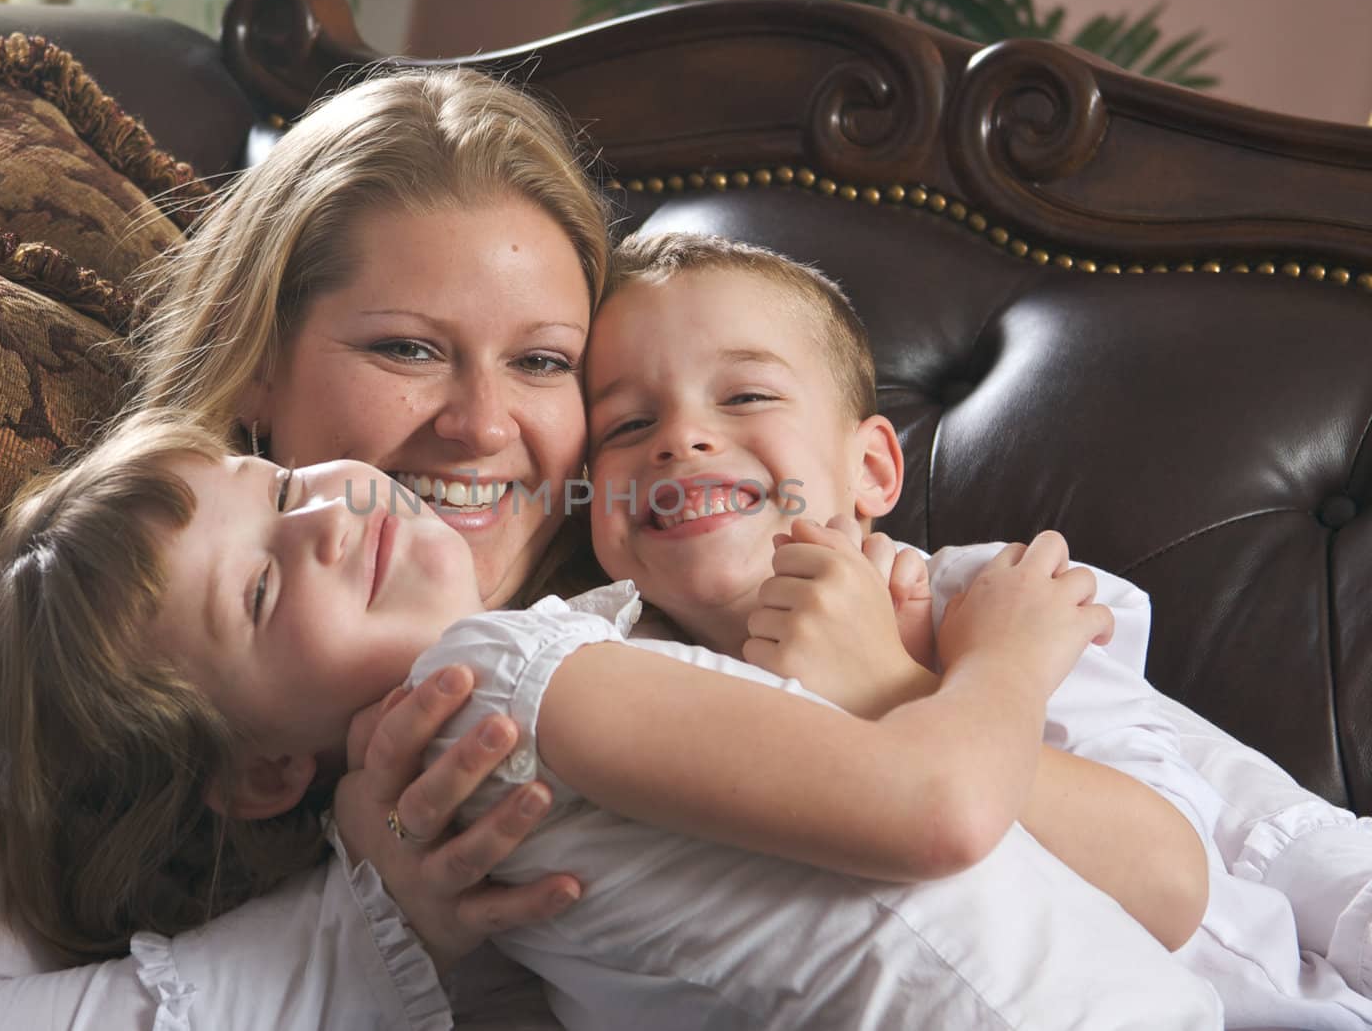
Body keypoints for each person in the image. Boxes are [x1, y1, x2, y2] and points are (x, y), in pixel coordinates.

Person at [0, 407, 1224, 1030]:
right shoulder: (499, 676)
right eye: (258, 587)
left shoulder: (524, 757)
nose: (328, 516)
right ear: (266, 771)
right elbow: (937, 810)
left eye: (273, 480)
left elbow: (1149, 889)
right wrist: (1003, 657)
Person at [0, 66, 609, 1030]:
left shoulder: (648, 556)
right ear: (257, 365)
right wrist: (361, 929)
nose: (484, 427)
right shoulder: (100, 614)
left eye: (541, 362)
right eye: (407, 349)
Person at [581, 230, 1372, 1028]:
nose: (680, 439)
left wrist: (890, 686)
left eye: (746, 396)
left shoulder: (989, 605)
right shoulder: (620, 676)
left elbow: (1167, 886)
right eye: (624, 426)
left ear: (873, 470)